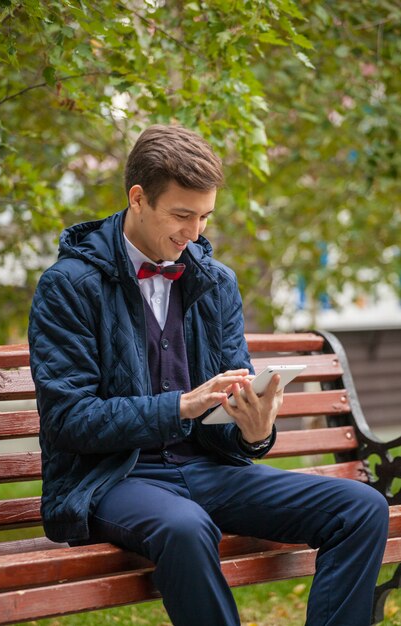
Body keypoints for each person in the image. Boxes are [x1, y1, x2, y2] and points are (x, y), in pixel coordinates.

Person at [28, 124, 388, 626]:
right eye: (181, 215)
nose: (194, 233)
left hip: (207, 471)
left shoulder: (215, 282)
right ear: (138, 198)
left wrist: (256, 432)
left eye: (204, 217)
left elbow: (233, 414)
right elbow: (69, 419)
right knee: (185, 526)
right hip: (111, 478)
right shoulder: (68, 286)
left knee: (362, 507)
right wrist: (178, 407)